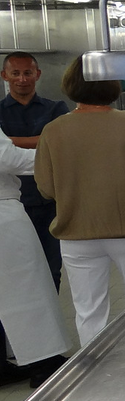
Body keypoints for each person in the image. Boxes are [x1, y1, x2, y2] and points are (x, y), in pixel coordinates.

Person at [35, 57, 125, 348]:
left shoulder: (54, 130)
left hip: (78, 234)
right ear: (112, 84)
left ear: (71, 86)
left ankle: (96, 378)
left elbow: (45, 187)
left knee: (89, 312)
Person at [0, 127, 71, 388]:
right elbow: (8, 159)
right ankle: (43, 363)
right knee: (27, 287)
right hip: (3, 212)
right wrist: (58, 156)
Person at [0, 51, 70, 287]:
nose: (22, 79)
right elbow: (47, 143)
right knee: (16, 269)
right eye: (15, 73)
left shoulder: (56, 108)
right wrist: (41, 140)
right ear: (4, 76)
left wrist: (8, 141)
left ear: (37, 74)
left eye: (27, 73)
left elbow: (59, 142)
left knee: (52, 267)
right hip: (13, 205)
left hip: (49, 202)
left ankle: (50, 320)